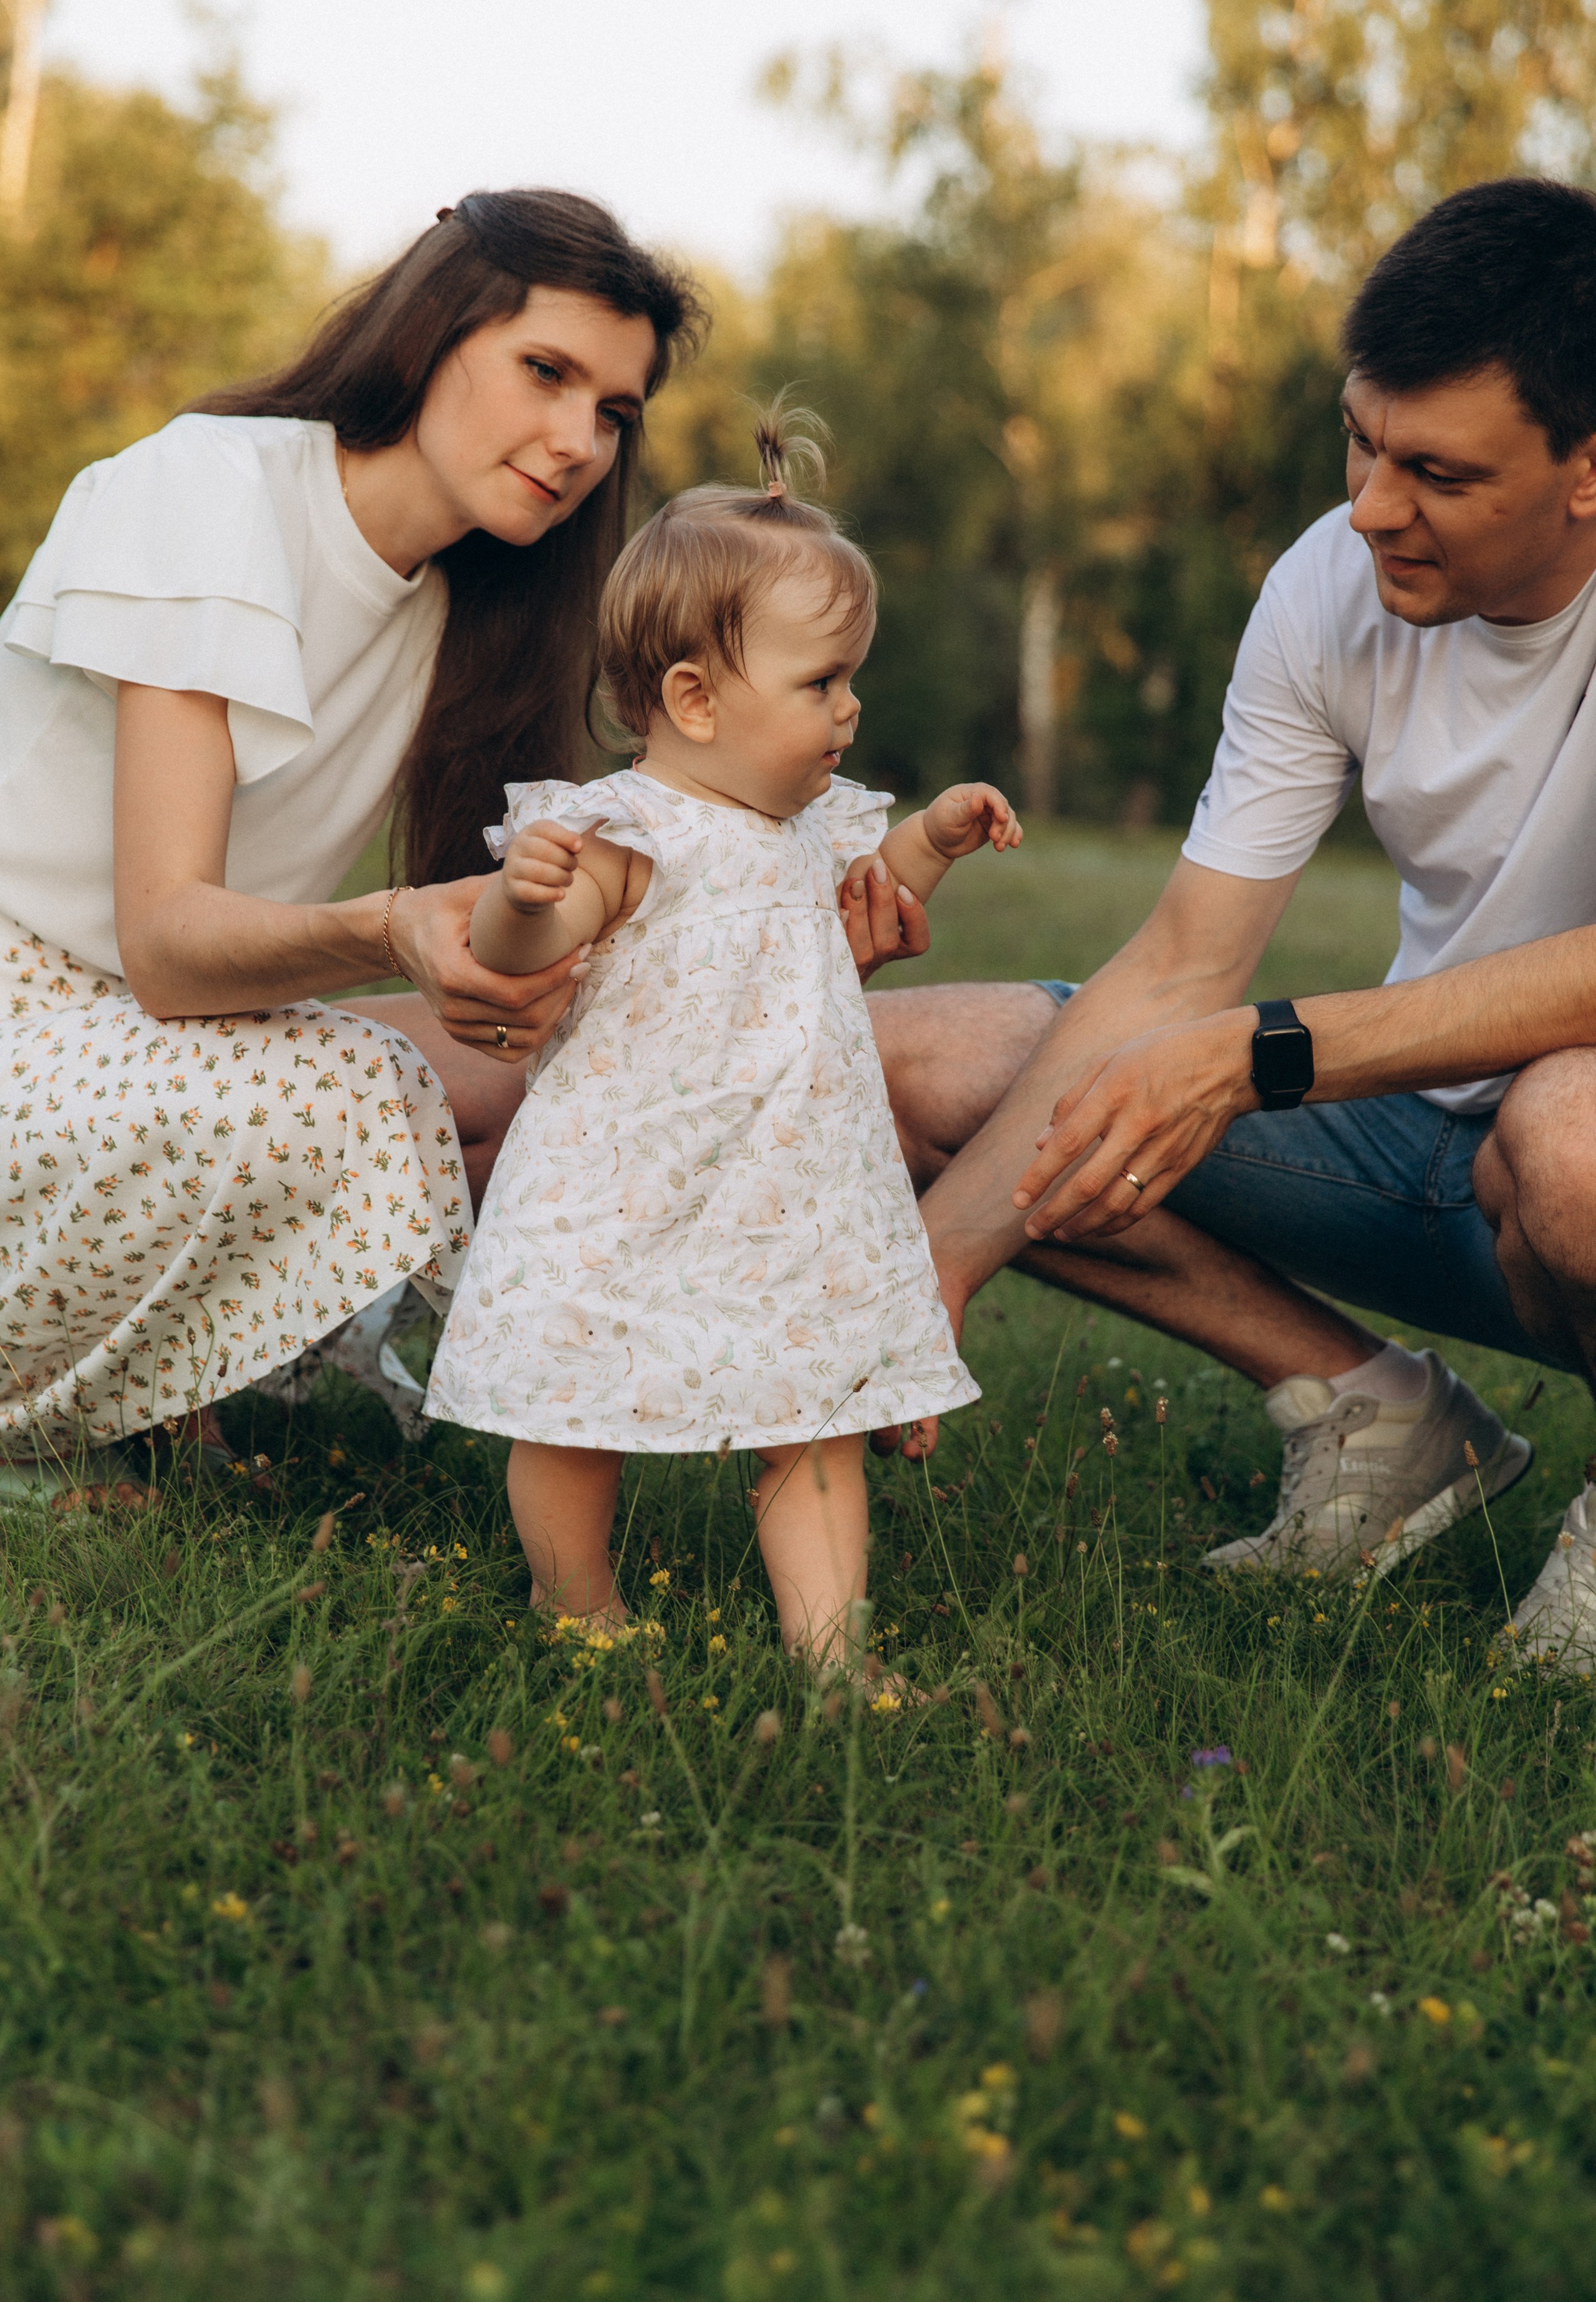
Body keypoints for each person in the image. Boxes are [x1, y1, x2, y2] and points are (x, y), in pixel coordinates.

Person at [870, 176, 1596, 1669]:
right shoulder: (1329, 581)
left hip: (1564, 1157)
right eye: (1359, 441)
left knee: (1568, 1136)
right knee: (907, 1073)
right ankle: (1380, 1422)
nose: (1371, 505)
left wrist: (1259, 1054)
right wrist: (933, 1264)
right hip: (1423, 1156)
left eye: (1437, 472)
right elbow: (1182, 963)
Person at [0, 188, 701, 1476]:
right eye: (544, 372)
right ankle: (92, 1423)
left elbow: (526, 946)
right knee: (357, 1088)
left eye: (613, 411)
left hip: (156, 1043)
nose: (577, 442)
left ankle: (165, 1386)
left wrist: (780, 916)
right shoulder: (210, 486)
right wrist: (389, 928)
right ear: (430, 335)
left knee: (579, 1075)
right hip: (29, 1010)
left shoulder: (472, 613)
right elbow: (165, 942)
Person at [423, 417, 1021, 1662]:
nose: (850, 708)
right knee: (573, 1413)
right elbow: (525, 953)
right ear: (694, 699)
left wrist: (932, 839)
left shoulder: (809, 820)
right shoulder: (626, 832)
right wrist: (518, 899)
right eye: (821, 684)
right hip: (624, 1190)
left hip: (791, 1193)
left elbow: (871, 883)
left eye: (850, 680)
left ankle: (832, 1655)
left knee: (815, 1420)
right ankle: (574, 1603)